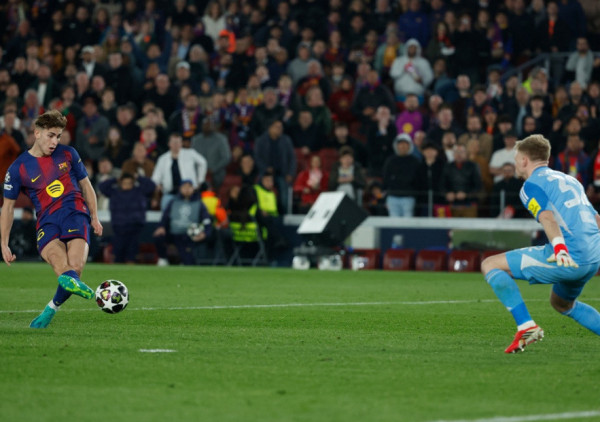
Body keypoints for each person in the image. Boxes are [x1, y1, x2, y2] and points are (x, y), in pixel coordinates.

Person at [481, 134, 600, 354]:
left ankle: (527, 327)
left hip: (570, 255)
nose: (515, 164)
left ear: (524, 160)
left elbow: (547, 217)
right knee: (562, 304)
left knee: (490, 264)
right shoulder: (570, 180)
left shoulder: (530, 185)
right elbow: (596, 219)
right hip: (593, 257)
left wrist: (560, 248)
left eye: (516, 159)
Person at [1, 110, 103, 328]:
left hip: (75, 213)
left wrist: (95, 216)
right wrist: (3, 242)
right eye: (51, 135)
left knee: (75, 267)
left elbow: (86, 185)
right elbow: (7, 208)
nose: (55, 141)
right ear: (37, 133)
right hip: (47, 221)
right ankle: (68, 292)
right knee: (60, 265)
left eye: (58, 136)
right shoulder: (18, 168)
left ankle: (51, 308)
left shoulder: (68, 154)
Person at [153, 180, 213, 266]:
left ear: (193, 189)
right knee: (159, 236)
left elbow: (207, 220)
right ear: (180, 189)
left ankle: (184, 261)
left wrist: (205, 233)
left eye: (189, 187)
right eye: (184, 187)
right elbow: (165, 217)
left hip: (189, 236)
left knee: (188, 261)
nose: (187, 190)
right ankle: (163, 259)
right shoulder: (173, 202)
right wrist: (161, 226)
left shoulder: (199, 203)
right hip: (173, 234)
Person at [98, 173, 156, 263]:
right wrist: (115, 179)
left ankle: (131, 267)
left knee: (132, 254)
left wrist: (139, 177)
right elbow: (102, 187)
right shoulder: (115, 192)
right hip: (119, 227)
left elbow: (152, 186)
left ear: (133, 183)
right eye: (125, 183)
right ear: (120, 183)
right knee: (118, 254)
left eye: (129, 183)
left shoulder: (139, 191)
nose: (127, 185)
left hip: (135, 227)